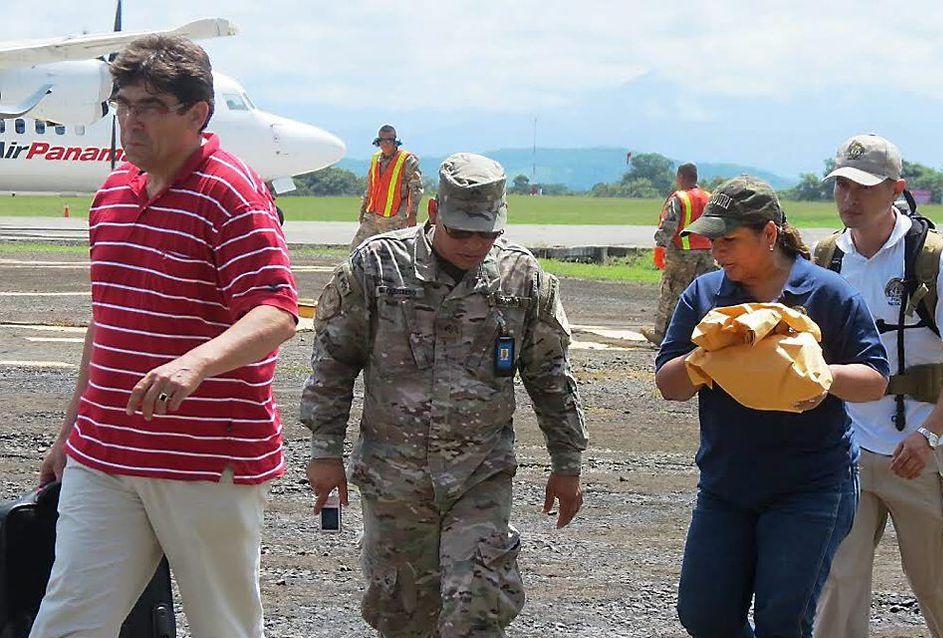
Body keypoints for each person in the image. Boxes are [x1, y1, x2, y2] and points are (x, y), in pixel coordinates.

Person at [30, 35, 298, 638]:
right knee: (67, 620)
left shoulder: (232, 194)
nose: (130, 121)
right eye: (123, 104)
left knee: (222, 626)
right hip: (105, 454)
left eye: (150, 106)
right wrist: (70, 431)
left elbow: (276, 310)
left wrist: (194, 365)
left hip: (204, 462)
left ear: (198, 113)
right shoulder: (113, 193)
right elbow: (107, 320)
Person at [301, 152, 588, 637]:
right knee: (403, 612)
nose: (475, 245)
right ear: (434, 212)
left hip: (480, 475)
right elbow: (333, 363)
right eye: (462, 232)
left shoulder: (520, 279)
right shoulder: (377, 268)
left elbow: (550, 377)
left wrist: (568, 462)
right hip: (395, 478)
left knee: (480, 606)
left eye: (487, 234)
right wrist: (324, 452)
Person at [655, 175, 889, 637]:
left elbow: (875, 380)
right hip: (727, 486)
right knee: (704, 614)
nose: (718, 251)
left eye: (730, 240)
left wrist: (819, 375)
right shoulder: (705, 297)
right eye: (713, 239)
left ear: (768, 234)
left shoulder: (827, 294)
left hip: (811, 488)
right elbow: (669, 385)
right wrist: (705, 357)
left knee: (783, 621)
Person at [815, 134, 943, 637]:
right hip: (845, 450)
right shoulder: (827, 259)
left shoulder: (935, 262)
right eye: (842, 185)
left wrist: (928, 434)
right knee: (836, 587)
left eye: (865, 186)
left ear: (896, 189)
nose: (851, 197)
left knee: (942, 587)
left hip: (922, 449)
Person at [641, 162, 715, 345]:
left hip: (682, 253)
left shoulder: (679, 198)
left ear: (681, 177)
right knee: (704, 293)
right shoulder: (709, 197)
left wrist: (660, 247)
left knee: (672, 292)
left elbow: (668, 225)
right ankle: (700, 334)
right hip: (707, 253)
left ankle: (663, 335)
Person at [350, 124, 423, 249]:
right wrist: (364, 208)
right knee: (357, 249)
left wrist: (412, 214)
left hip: (394, 218)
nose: (385, 143)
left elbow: (416, 188)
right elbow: (371, 186)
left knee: (393, 253)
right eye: (382, 140)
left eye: (389, 140)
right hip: (373, 216)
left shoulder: (407, 160)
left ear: (395, 142)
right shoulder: (375, 159)